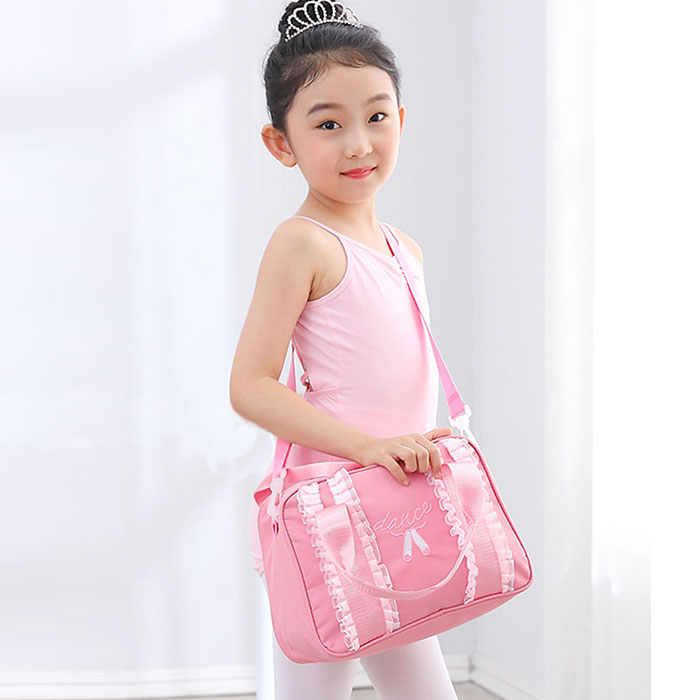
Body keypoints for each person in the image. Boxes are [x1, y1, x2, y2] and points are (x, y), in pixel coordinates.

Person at [229, 2, 459, 698]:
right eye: (328, 124)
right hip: (330, 522)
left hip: (397, 517)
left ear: (401, 120)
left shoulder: (404, 250)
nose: (359, 143)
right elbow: (251, 385)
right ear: (281, 143)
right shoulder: (301, 244)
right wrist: (368, 447)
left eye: (376, 116)